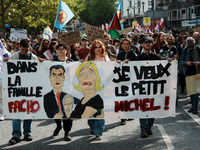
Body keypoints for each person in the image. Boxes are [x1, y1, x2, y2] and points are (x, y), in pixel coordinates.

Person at [4, 39, 38, 145]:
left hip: (29, 90)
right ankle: (16, 135)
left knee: (28, 111)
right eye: (21, 50)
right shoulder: (14, 57)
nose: (23, 52)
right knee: (16, 112)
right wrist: (5, 62)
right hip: (17, 89)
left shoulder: (34, 58)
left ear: (29, 48)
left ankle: (27, 133)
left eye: (25, 50)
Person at [72, 40, 108, 140]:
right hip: (89, 89)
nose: (98, 49)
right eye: (96, 47)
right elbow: (82, 67)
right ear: (93, 49)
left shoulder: (106, 57)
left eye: (99, 47)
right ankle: (92, 126)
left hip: (102, 88)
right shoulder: (89, 57)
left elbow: (111, 68)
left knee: (99, 110)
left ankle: (98, 131)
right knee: (89, 110)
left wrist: (118, 62)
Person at [135, 36, 161, 138]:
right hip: (141, 88)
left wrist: (168, 62)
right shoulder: (137, 59)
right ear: (142, 44)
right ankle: (143, 129)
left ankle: (149, 126)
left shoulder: (157, 58)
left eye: (150, 42)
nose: (148, 44)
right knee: (142, 108)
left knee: (152, 108)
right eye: (146, 42)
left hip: (153, 88)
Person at [43, 64, 73, 141]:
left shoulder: (70, 61)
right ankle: (58, 126)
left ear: (63, 77)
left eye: (60, 75)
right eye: (54, 75)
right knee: (56, 112)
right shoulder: (47, 97)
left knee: (67, 115)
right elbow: (49, 113)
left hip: (67, 90)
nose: (57, 79)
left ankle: (67, 133)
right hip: (55, 97)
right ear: (50, 77)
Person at [116, 38, 137, 125]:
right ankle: (123, 117)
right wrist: (118, 62)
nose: (125, 45)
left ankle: (130, 113)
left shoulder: (133, 54)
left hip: (131, 79)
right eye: (124, 44)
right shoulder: (120, 54)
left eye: (127, 44)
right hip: (122, 79)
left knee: (130, 98)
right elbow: (116, 65)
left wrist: (130, 62)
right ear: (121, 45)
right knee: (122, 98)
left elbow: (137, 64)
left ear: (130, 45)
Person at [180, 37, 200, 114]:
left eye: (192, 46)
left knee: (195, 91)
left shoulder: (198, 49)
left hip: (197, 72)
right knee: (191, 91)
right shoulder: (184, 50)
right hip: (188, 72)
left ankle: (195, 108)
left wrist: (198, 63)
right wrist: (186, 63)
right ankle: (193, 106)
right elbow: (181, 60)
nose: (191, 48)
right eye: (189, 46)